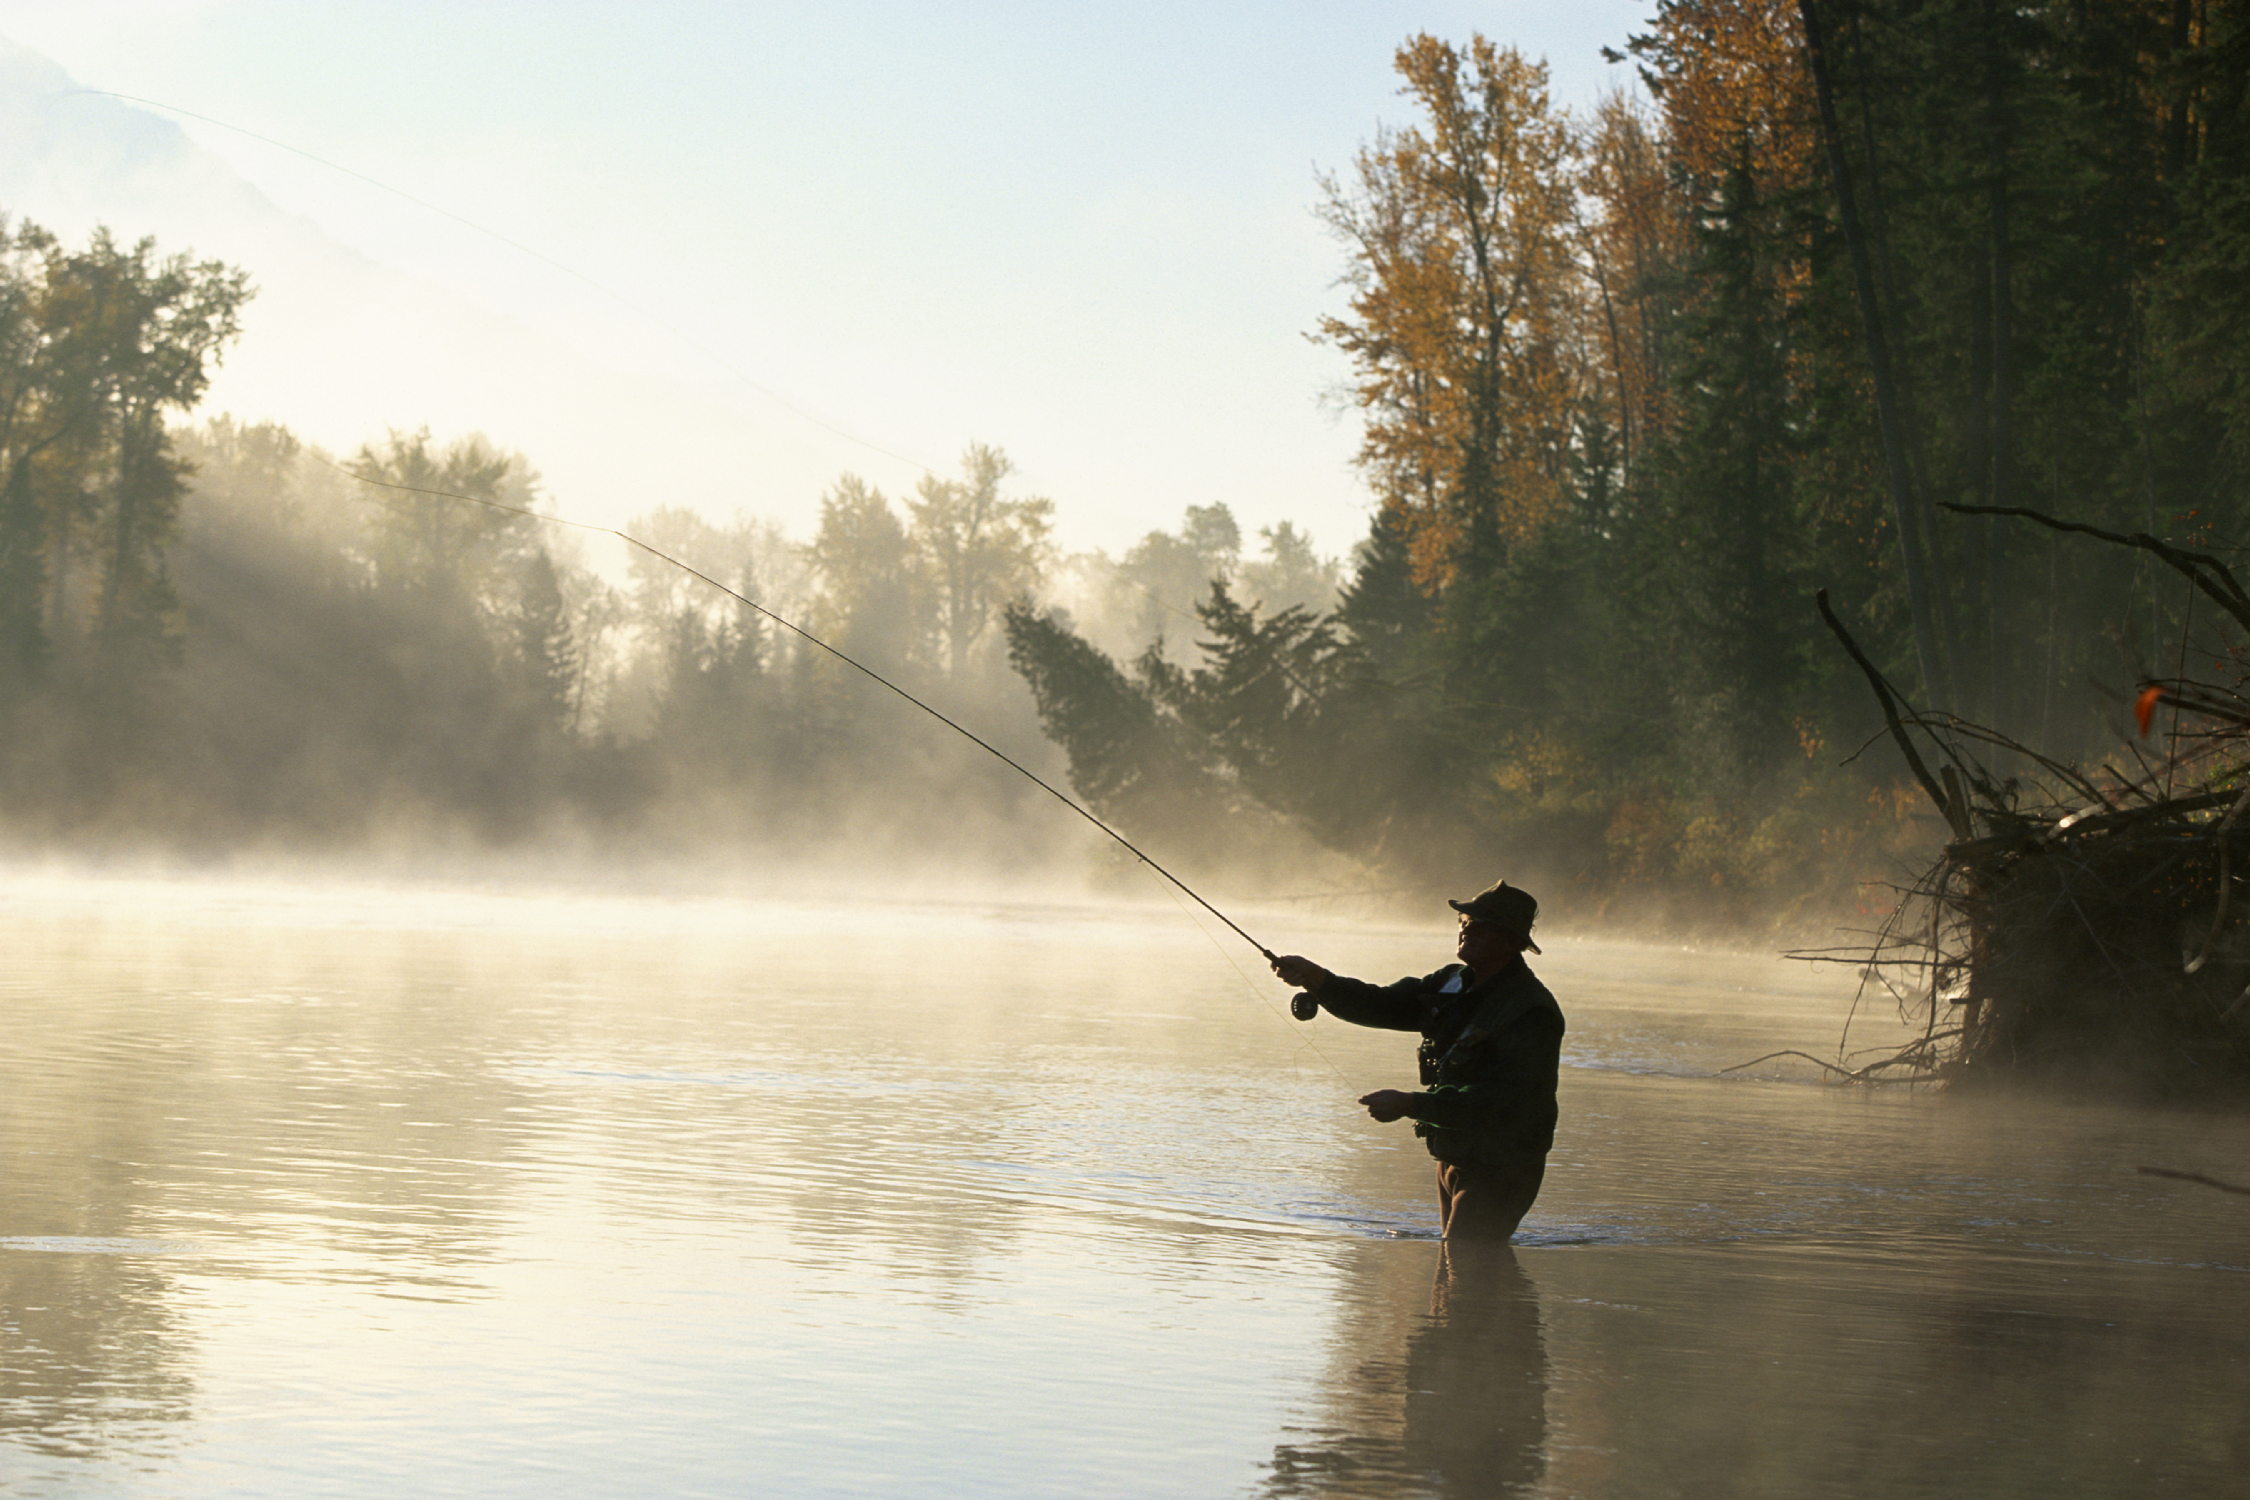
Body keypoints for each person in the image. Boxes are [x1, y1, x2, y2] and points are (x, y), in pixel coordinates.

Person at [1270, 879, 1563, 1241]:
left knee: (1468, 1264)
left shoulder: (1531, 1010)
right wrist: (1318, 980)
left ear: (1511, 941)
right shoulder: (1450, 982)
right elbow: (1382, 1005)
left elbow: (1505, 1102)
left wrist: (1411, 1104)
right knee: (1451, 1282)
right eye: (1464, 920)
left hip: (1503, 1165)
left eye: (1481, 924)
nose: (1467, 927)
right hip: (1454, 1153)